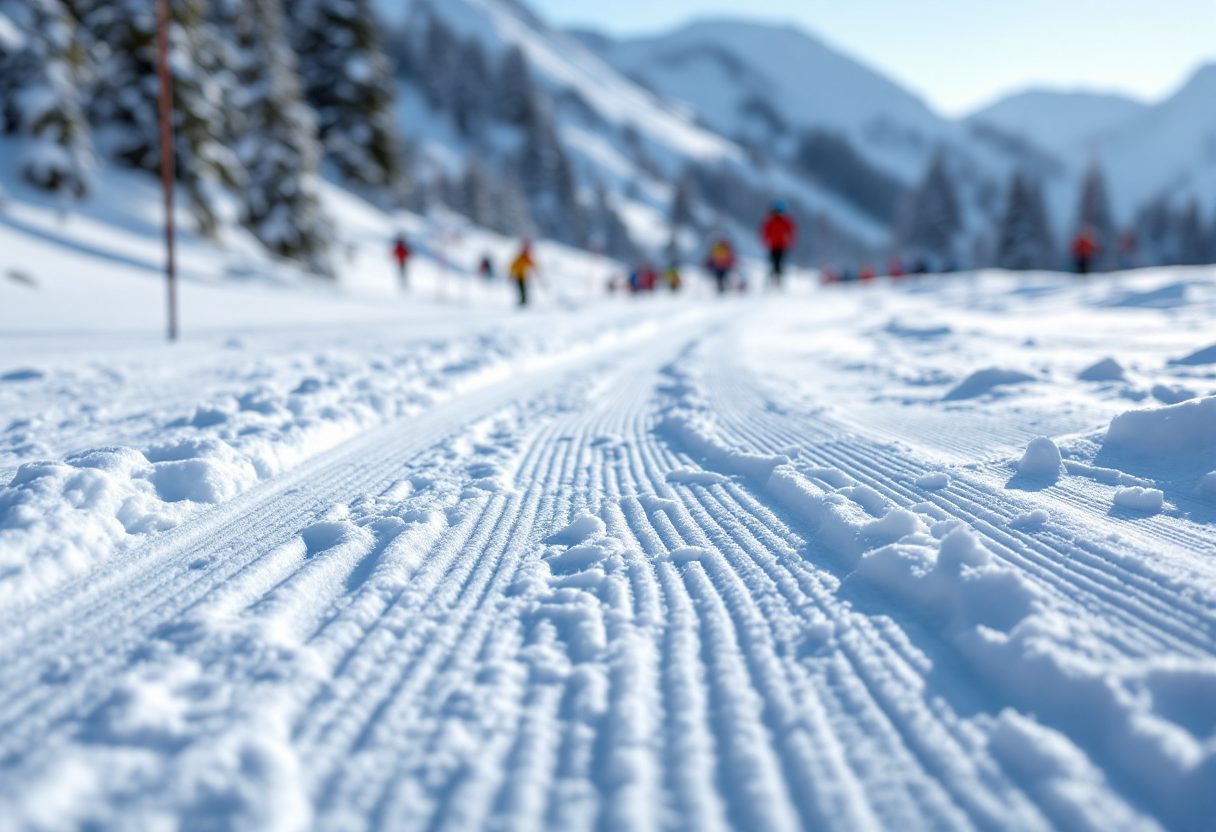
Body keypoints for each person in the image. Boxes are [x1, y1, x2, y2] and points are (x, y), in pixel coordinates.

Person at [760, 201, 798, 288]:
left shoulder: (784, 221)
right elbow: (765, 231)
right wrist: (765, 240)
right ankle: (773, 280)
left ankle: (778, 280)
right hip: (773, 246)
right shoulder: (771, 221)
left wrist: (791, 240)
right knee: (774, 263)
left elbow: (791, 231)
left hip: (781, 246)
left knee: (779, 263)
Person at [509, 241, 536, 306]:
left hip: (523, 276)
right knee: (521, 288)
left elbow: (532, 264)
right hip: (518, 276)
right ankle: (523, 300)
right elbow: (513, 266)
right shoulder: (520, 258)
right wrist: (511, 273)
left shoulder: (526, 258)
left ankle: (524, 300)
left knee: (523, 288)